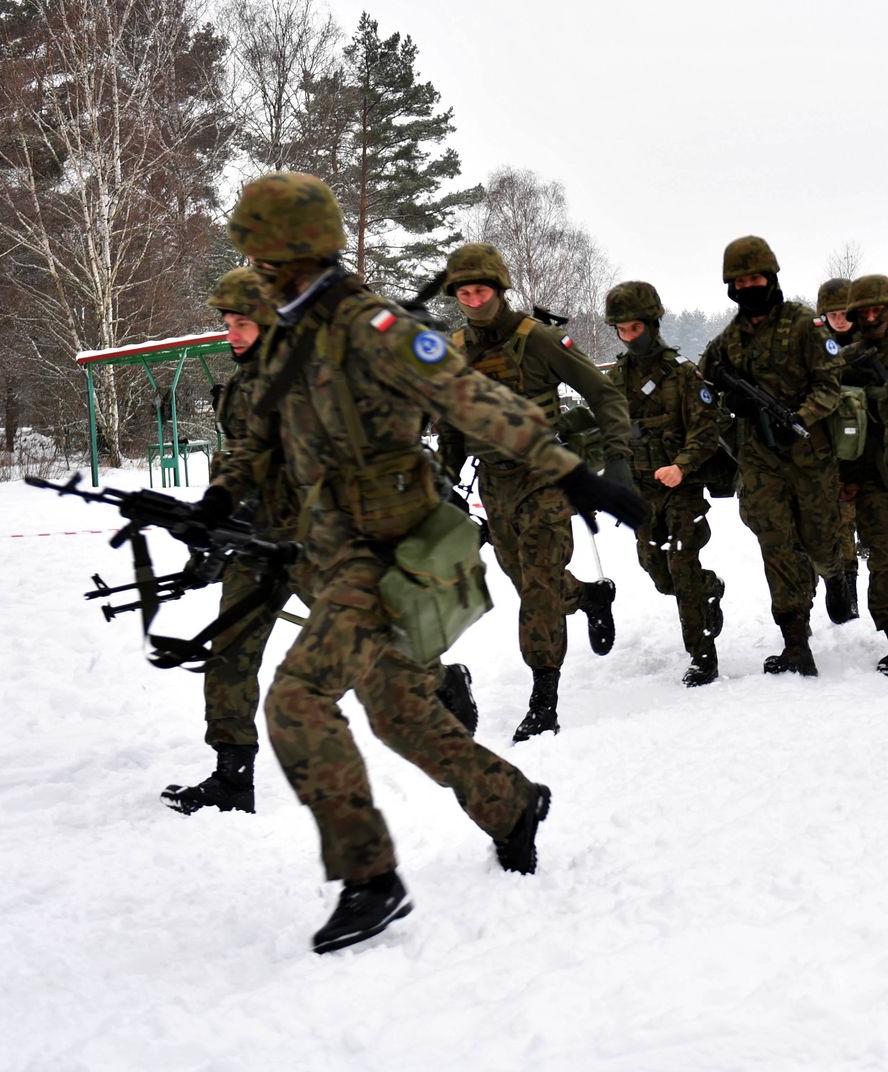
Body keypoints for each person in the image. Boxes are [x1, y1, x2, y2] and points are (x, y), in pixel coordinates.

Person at [207, 171, 646, 953]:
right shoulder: (287, 338)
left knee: (297, 700)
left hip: (391, 553)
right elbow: (260, 436)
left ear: (290, 251)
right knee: (400, 715)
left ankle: (370, 879)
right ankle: (511, 803)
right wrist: (217, 499)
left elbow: (470, 396)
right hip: (332, 546)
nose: (259, 269)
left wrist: (572, 472)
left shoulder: (375, 327)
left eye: (262, 254)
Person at [436, 243, 633, 743]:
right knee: (528, 583)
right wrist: (446, 477)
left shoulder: (539, 340)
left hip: (545, 477)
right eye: (464, 291)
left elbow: (603, 392)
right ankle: (590, 595)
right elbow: (453, 421)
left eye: (481, 289)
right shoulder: (455, 349)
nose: (474, 299)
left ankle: (543, 700)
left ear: (499, 290)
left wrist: (618, 461)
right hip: (496, 484)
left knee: (540, 586)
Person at [161, 268, 307, 815]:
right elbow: (240, 463)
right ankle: (232, 779)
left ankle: (439, 683)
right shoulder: (244, 384)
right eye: (228, 323)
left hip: (314, 542)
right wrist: (215, 531)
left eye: (244, 322)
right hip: (258, 542)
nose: (233, 333)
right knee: (230, 654)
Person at [700, 236, 845, 676]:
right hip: (760, 461)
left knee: (818, 540)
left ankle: (835, 571)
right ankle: (795, 641)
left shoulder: (803, 324)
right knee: (777, 547)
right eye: (741, 280)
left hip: (810, 455)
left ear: (772, 277)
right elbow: (702, 389)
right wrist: (730, 410)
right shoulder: (727, 342)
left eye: (756, 278)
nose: (749, 286)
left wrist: (798, 416)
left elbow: (830, 387)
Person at [603, 280, 729, 686]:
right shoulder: (617, 377)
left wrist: (682, 465)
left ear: (652, 324)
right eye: (621, 329)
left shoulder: (683, 374)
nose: (628, 336)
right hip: (641, 489)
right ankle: (711, 588)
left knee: (682, 563)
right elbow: (606, 431)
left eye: (634, 328)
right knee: (659, 573)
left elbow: (706, 431)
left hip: (681, 488)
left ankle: (702, 654)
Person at [840, 272, 888, 674]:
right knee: (882, 561)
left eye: (877, 309)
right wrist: (846, 475)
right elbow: (840, 425)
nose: (871, 317)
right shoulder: (848, 361)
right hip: (870, 476)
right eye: (863, 311)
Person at [814, 277, 863, 624]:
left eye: (845, 311)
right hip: (829, 447)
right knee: (840, 523)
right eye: (832, 313)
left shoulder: (871, 341)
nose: (840, 318)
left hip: (868, 446)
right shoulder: (813, 345)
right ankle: (847, 592)